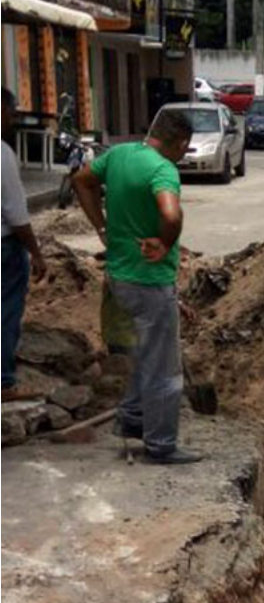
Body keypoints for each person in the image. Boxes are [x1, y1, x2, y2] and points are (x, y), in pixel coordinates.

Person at [73, 109, 202, 464]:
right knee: (165, 368)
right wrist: (163, 242)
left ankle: (132, 419)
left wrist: (102, 227)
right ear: (181, 143)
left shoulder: (119, 154)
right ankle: (161, 445)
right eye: (183, 149)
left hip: (120, 275)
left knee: (149, 353)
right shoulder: (163, 170)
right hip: (150, 280)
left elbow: (81, 180)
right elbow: (172, 214)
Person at [1, 88, 47, 400]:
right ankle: (4, 381)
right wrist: (36, 253)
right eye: (10, 112)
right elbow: (17, 215)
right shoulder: (3, 154)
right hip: (4, 246)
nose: (13, 119)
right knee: (6, 310)